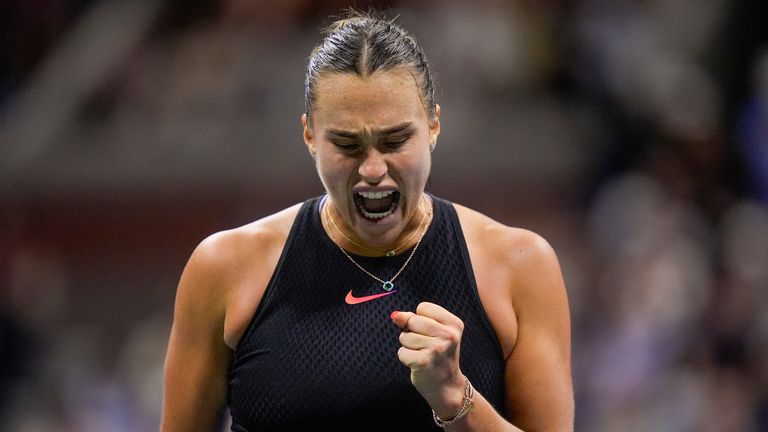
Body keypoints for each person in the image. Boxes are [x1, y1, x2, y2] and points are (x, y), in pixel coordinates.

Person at [161, 11, 573, 432]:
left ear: (433, 125)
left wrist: (455, 397)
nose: (373, 169)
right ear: (309, 135)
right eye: (346, 143)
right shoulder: (225, 268)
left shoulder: (519, 265)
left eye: (395, 140)